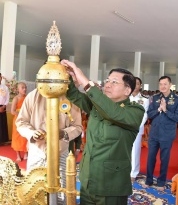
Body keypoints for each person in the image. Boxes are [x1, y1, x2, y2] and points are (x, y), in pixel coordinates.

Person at [61, 60, 145, 205]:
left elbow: (112, 113)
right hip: (88, 179)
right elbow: (73, 94)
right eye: (107, 80)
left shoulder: (135, 111)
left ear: (127, 90)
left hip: (111, 185)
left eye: (114, 82)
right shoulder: (97, 105)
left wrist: (85, 82)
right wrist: (67, 74)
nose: (107, 84)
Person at [16, 88, 82, 204]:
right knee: (34, 191)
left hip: (61, 151)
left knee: (62, 193)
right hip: (37, 152)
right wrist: (32, 133)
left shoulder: (70, 98)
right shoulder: (33, 95)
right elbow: (21, 122)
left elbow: (77, 127)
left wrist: (64, 133)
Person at [145, 76, 178, 191]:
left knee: (164, 158)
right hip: (154, 133)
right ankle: (149, 180)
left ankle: (161, 182)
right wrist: (158, 110)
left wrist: (166, 110)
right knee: (151, 157)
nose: (163, 86)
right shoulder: (154, 98)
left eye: (165, 84)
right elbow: (150, 114)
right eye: (161, 84)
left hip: (167, 134)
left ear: (170, 85)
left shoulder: (177, 100)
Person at [129, 77, 149, 182]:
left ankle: (134, 173)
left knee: (135, 151)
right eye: (133, 83)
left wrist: (137, 126)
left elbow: (145, 115)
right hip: (124, 127)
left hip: (136, 129)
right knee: (124, 150)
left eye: (137, 84)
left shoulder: (144, 100)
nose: (135, 85)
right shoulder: (125, 98)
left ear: (140, 86)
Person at [11, 82, 28, 162]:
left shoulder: (27, 97)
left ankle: (26, 154)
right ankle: (18, 155)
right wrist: (21, 114)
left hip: (26, 119)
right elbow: (12, 111)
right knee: (17, 136)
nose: (24, 89)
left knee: (25, 136)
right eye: (22, 87)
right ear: (18, 89)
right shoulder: (16, 99)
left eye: (25, 87)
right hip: (18, 120)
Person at [0, 73, 9, 144]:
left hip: (2, 107)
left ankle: (2, 140)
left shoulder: (5, 87)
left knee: (2, 124)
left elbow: (7, 98)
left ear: (1, 78)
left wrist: (4, 106)